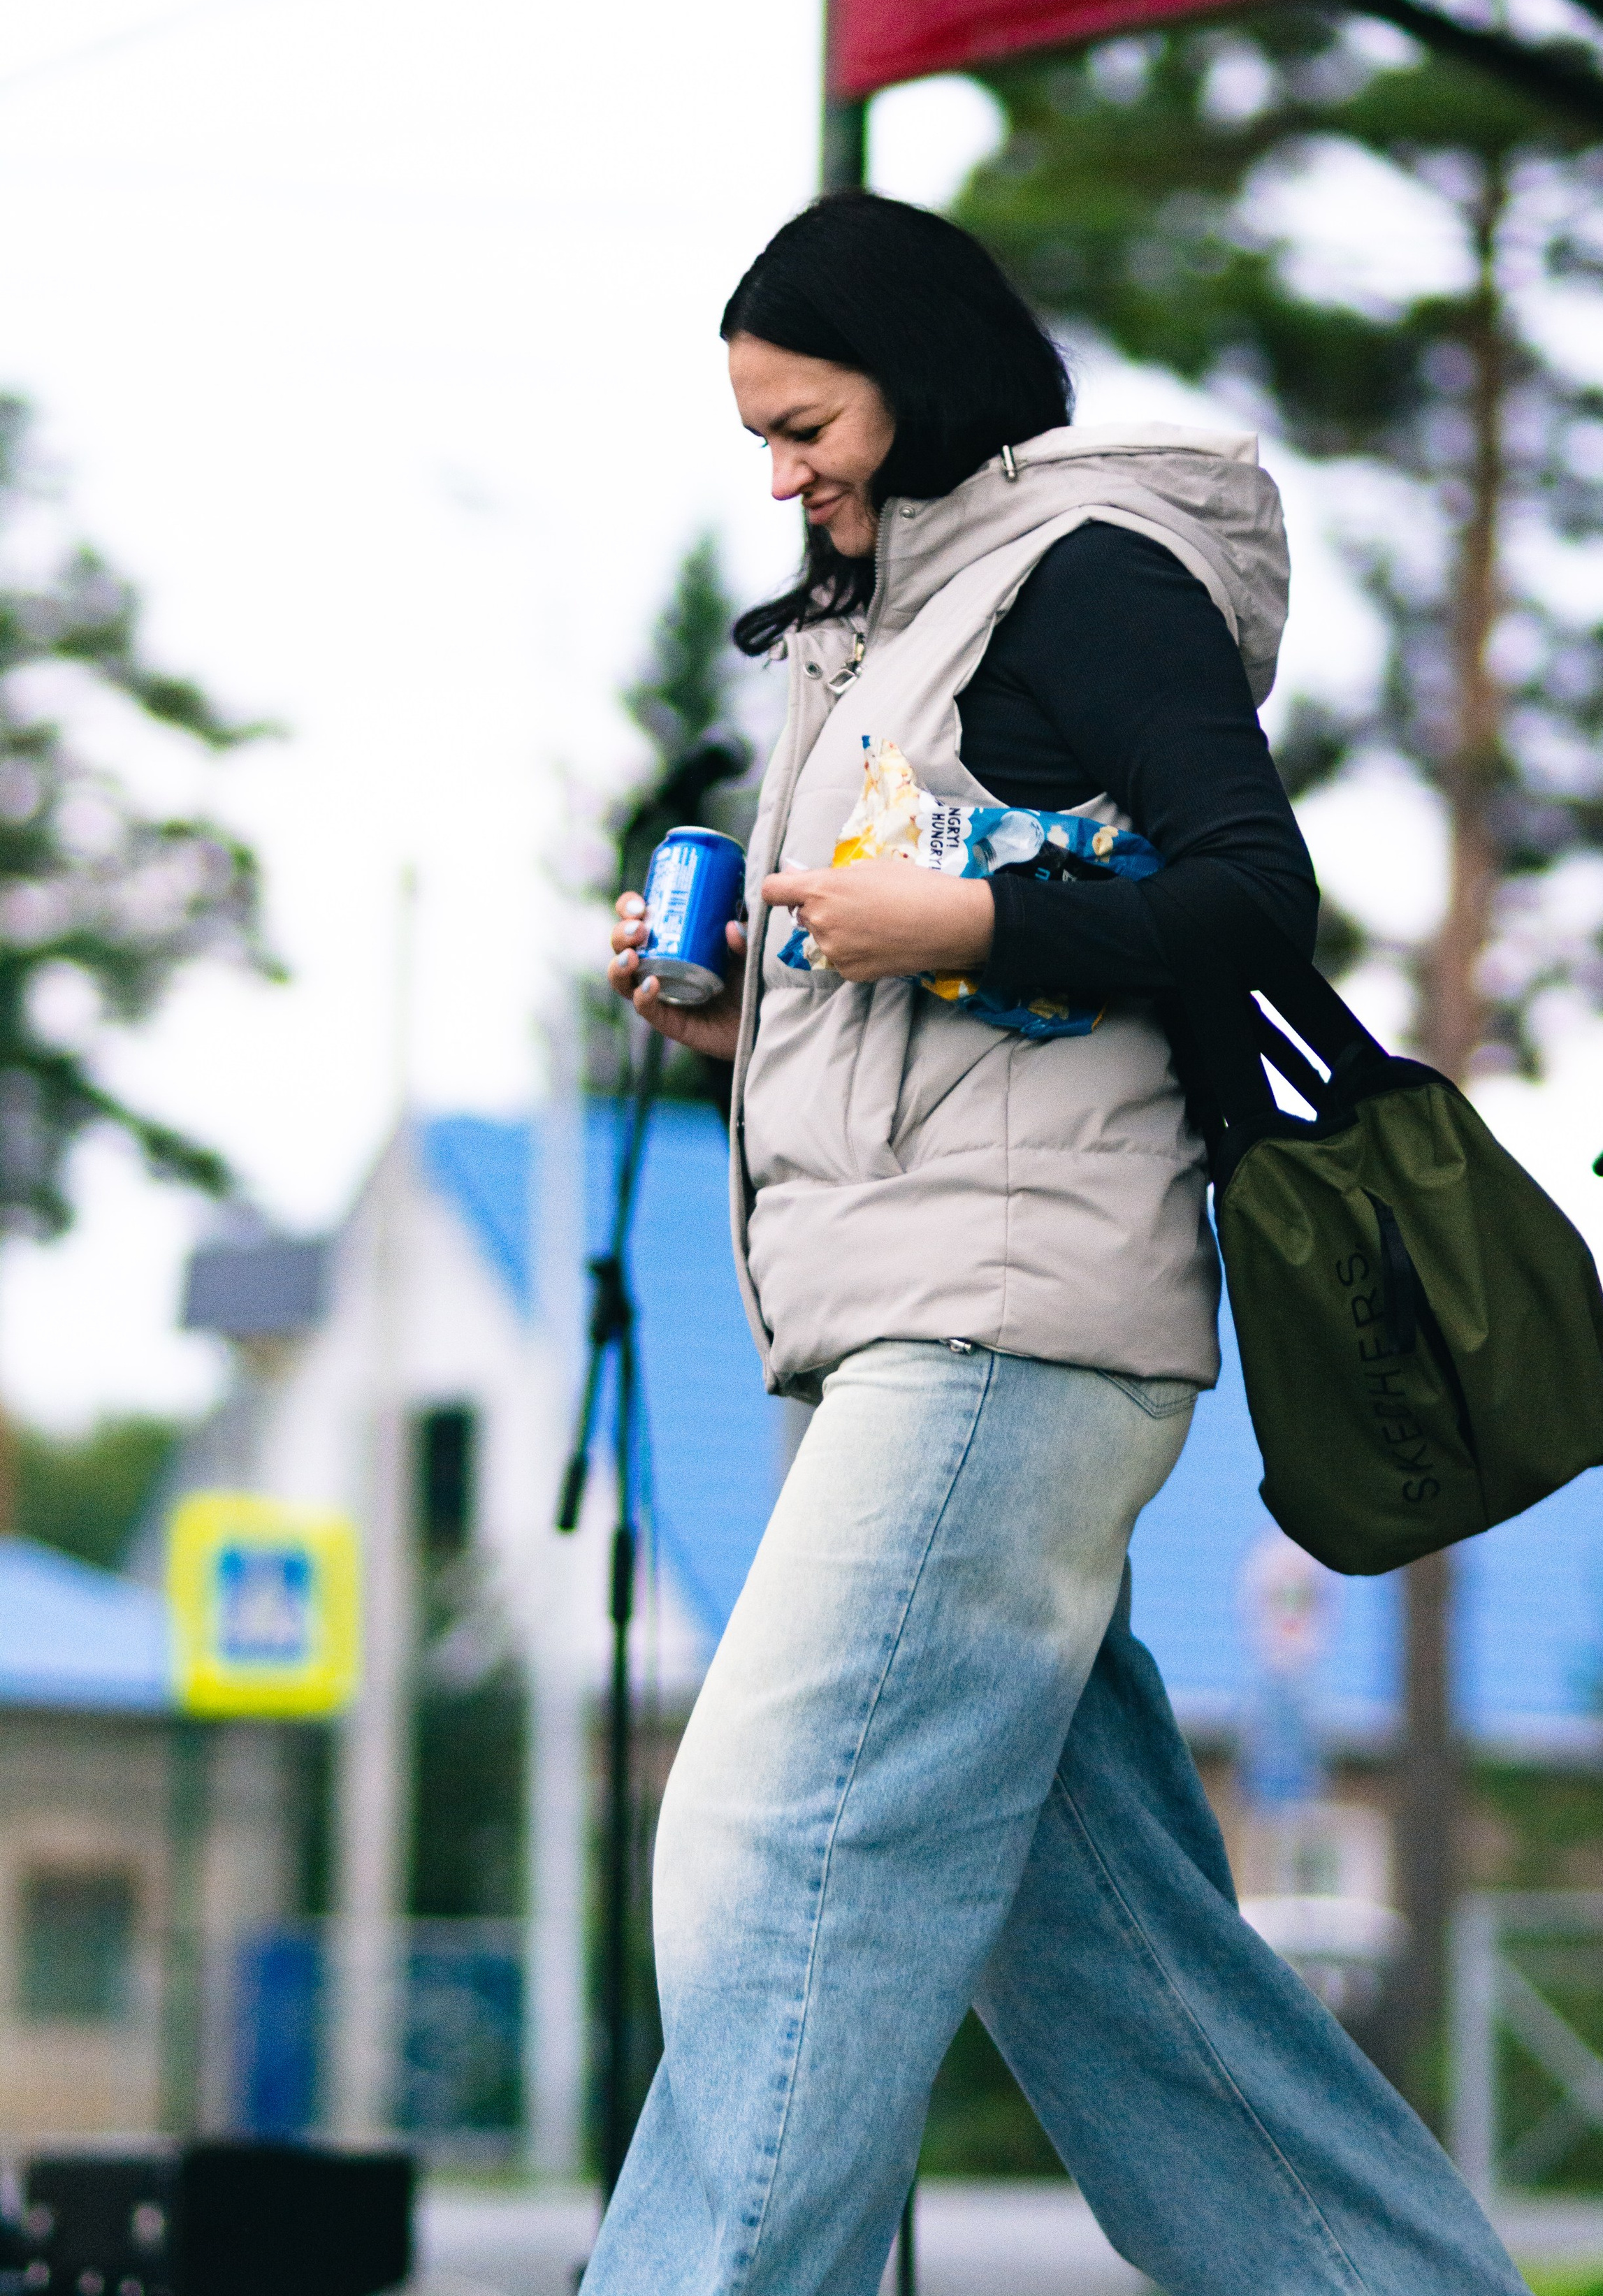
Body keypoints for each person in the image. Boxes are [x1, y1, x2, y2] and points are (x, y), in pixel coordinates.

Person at [595, 194, 1524, 2296]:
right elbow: (963, 1015)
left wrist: (968, 919)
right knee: (1116, 1965)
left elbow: (1248, 897)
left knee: (773, 1844)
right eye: (757, 438)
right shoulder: (877, 628)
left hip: (1006, 1333)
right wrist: (751, 1010)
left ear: (918, 376)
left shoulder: (1091, 578)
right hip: (922, 1318)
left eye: (804, 422)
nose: (781, 475)